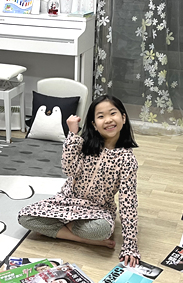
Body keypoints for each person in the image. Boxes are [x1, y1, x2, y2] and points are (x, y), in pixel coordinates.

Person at [18, 94, 140, 268]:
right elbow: (69, 170)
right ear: (94, 124)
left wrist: (130, 245)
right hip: (67, 202)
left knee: (101, 230)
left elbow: (128, 203)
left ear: (123, 118)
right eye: (101, 116)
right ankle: (83, 239)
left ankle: (66, 228)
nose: (108, 120)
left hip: (97, 210)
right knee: (25, 217)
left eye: (113, 113)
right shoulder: (83, 145)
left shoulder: (127, 160)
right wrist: (73, 135)